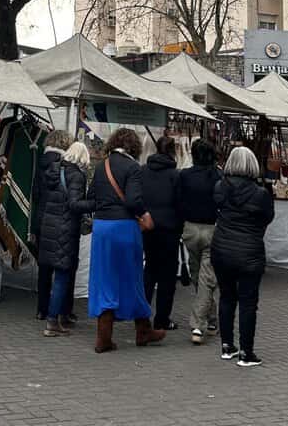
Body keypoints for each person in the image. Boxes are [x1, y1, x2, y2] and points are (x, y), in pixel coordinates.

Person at [88, 127, 164, 353]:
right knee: (132, 279)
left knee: (104, 280)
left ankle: (103, 337)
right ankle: (143, 330)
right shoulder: (133, 167)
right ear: (135, 147)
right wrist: (145, 214)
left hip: (101, 228)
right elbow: (133, 201)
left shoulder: (102, 166)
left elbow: (91, 198)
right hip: (124, 228)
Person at [210, 147, 275, 367]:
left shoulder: (220, 187)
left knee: (226, 297)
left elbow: (216, 208)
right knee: (248, 302)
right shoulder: (260, 193)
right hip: (249, 250)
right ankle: (247, 352)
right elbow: (268, 217)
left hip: (221, 247)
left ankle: (227, 345)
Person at [38, 141, 95, 336]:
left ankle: (56, 316)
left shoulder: (53, 171)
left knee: (56, 274)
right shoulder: (76, 175)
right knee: (63, 276)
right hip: (65, 229)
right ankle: (53, 321)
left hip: (50, 228)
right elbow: (74, 204)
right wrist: (94, 204)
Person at [179, 138, 221, 344]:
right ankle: (199, 325)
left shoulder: (184, 176)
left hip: (189, 229)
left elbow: (177, 202)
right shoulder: (218, 177)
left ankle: (210, 320)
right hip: (212, 230)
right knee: (207, 278)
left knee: (199, 276)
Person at [141, 135, 182, 331]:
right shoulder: (176, 175)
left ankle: (142, 315)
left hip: (148, 227)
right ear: (173, 151)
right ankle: (162, 319)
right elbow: (181, 203)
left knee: (149, 270)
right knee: (167, 276)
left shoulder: (143, 171)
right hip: (170, 230)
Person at [32, 130, 73, 321]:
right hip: (61, 219)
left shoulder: (39, 162)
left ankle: (41, 308)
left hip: (43, 219)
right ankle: (63, 310)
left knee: (45, 267)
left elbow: (36, 194)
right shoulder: (66, 165)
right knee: (65, 268)